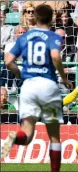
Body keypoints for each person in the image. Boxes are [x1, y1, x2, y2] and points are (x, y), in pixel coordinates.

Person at [1, 4, 73, 172]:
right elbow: (55, 55)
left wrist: (20, 75)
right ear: (52, 18)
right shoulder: (53, 36)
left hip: (28, 87)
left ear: (36, 17)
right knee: (54, 137)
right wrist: (63, 78)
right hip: (48, 86)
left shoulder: (24, 37)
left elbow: (8, 61)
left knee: (26, 136)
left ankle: (14, 138)